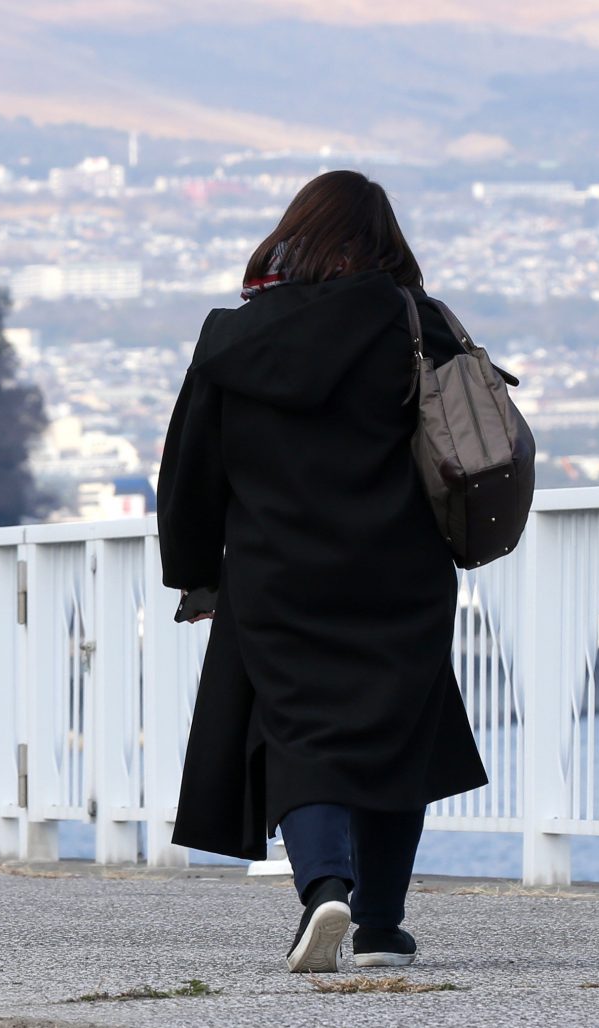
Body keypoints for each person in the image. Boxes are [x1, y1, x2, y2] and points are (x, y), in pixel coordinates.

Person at [157, 171, 490, 973]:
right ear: (382, 240)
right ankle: (379, 926)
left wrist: (197, 574)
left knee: (299, 729)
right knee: (393, 729)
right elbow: (473, 433)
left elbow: (190, 469)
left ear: (292, 234)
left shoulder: (234, 340)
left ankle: (324, 891)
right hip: (401, 567)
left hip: (277, 570)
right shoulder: (418, 323)